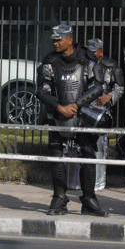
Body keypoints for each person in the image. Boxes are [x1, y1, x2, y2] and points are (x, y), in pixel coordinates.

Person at [36, 24, 106, 216]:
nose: (55, 43)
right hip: (57, 113)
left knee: (88, 154)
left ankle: (89, 199)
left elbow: (98, 86)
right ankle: (59, 197)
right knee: (57, 156)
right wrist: (59, 107)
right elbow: (42, 90)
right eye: (54, 40)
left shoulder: (87, 59)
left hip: (83, 115)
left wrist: (77, 105)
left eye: (59, 39)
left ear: (70, 39)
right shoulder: (49, 61)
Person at [85, 38, 124, 123]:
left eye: (93, 51)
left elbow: (120, 88)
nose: (91, 54)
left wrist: (109, 96)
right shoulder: (82, 64)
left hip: (102, 107)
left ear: (100, 51)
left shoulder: (111, 65)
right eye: (89, 51)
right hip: (84, 106)